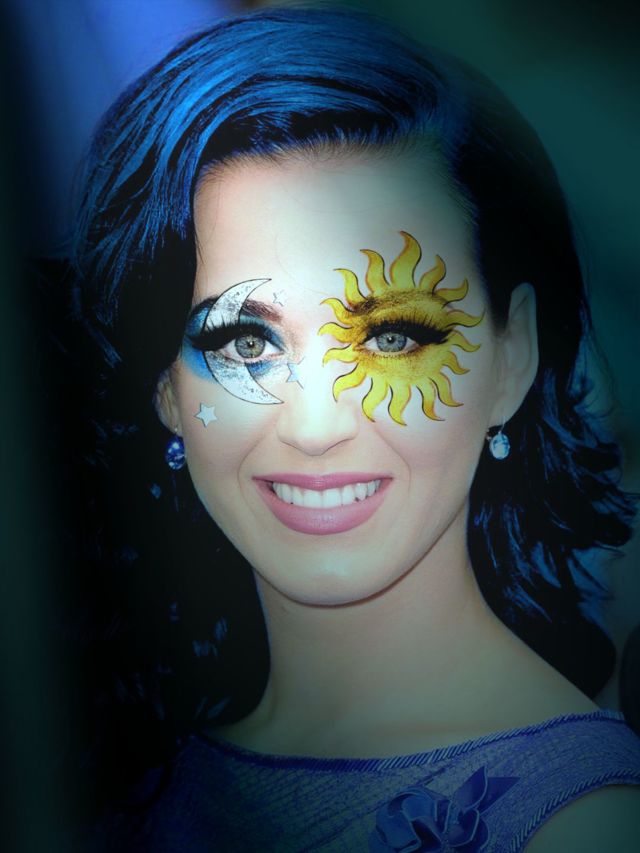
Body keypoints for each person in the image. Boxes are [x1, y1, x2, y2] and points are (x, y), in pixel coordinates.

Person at [67, 6, 640, 850]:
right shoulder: (103, 769)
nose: (315, 425)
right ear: (165, 388)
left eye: (394, 336)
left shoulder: (584, 823)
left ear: (512, 358)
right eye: (247, 342)